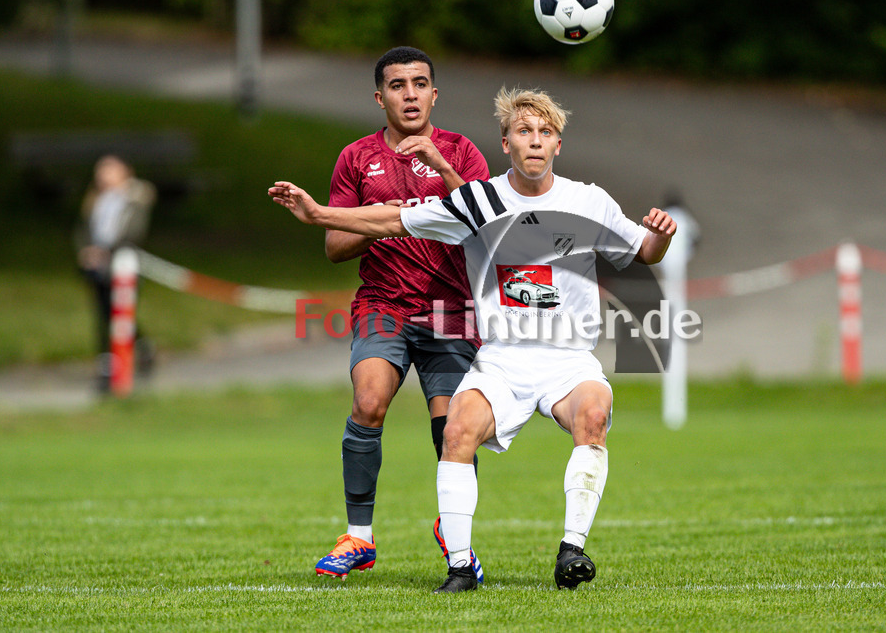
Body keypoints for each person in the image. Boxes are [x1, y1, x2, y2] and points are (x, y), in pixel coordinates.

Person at [268, 87, 676, 593]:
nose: (534, 142)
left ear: (557, 146)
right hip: (501, 360)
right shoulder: (477, 199)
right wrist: (320, 214)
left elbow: (644, 252)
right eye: (523, 132)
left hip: (569, 360)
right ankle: (460, 567)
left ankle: (572, 549)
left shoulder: (587, 200)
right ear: (505, 143)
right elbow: (394, 219)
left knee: (593, 415)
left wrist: (660, 235)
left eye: (544, 133)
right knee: (456, 433)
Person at [309, 46, 490, 581]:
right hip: (383, 306)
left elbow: (485, 223)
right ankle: (358, 539)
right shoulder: (356, 157)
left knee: (453, 430)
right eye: (397, 85)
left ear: (435, 94)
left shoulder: (460, 150)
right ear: (379, 97)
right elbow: (336, 244)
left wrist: (440, 174)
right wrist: (394, 220)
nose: (409, 94)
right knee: (368, 402)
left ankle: (454, 534)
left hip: (451, 309)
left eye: (419, 84)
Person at [75, 154, 157, 393]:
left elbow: (133, 232)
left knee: (121, 314)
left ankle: (136, 351)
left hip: (123, 264)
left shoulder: (135, 198)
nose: (103, 175)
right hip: (97, 265)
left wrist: (107, 251)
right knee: (104, 314)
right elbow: (84, 229)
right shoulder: (96, 200)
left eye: (109, 169)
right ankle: (109, 363)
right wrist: (87, 252)